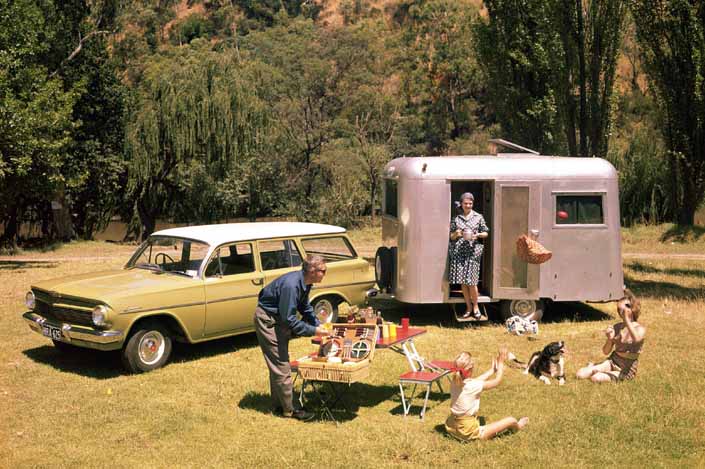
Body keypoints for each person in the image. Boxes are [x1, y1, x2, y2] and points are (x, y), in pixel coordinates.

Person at [254, 254, 331, 421]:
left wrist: (317, 323)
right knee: (281, 364)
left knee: (279, 363)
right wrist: (314, 331)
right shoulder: (291, 286)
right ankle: (291, 410)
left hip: (278, 319)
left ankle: (278, 403)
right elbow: (289, 319)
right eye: (323, 270)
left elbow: (304, 306)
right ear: (312, 271)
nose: (325, 273)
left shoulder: (305, 282)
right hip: (268, 321)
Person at [445, 346, 529, 441]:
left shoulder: (455, 381)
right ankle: (518, 426)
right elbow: (497, 381)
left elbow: (475, 381)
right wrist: (501, 363)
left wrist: (491, 371)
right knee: (511, 420)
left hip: (451, 426)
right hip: (467, 432)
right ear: (470, 369)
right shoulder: (473, 385)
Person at [576, 289, 646, 383]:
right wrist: (610, 339)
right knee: (579, 374)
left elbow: (636, 339)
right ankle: (596, 367)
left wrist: (627, 321)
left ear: (632, 308)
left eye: (623, 309)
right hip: (613, 361)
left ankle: (599, 369)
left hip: (626, 369)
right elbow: (605, 351)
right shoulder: (617, 327)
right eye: (619, 310)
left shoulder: (640, 328)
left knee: (596, 378)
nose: (621, 313)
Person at [449, 192, 489, 319]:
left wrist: (477, 235)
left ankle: (476, 307)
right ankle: (468, 307)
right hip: (459, 253)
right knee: (463, 282)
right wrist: (457, 233)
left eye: (470, 203)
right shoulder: (456, 218)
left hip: (472, 253)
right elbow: (451, 236)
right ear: (461, 204)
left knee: (472, 282)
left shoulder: (478, 217)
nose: (468, 205)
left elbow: (486, 233)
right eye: (466, 203)